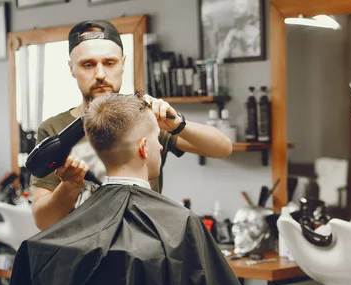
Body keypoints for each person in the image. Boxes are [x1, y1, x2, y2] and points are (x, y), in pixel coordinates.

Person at [0, 92, 342, 285]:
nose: (162, 147)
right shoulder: (182, 226)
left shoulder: (58, 241)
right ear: (145, 148)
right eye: (157, 142)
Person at [30, 19, 233, 230]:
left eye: (109, 63)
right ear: (72, 68)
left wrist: (178, 124)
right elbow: (44, 222)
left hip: (143, 250)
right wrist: (69, 186)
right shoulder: (55, 130)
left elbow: (223, 148)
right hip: (83, 254)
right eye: (88, 64)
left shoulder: (142, 118)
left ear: (123, 63)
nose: (100, 74)